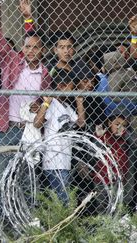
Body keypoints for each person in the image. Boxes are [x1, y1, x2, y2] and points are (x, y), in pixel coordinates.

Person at [0, 0, 50, 232]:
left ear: (42, 51)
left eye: (35, 48)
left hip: (29, 132)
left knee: (27, 182)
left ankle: (23, 229)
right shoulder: (11, 61)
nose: (30, 51)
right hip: (8, 129)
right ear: (23, 48)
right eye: (27, 47)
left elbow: (44, 101)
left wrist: (37, 106)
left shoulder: (45, 73)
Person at [33, 70, 85, 204]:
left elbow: (80, 122)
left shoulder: (67, 107)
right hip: (53, 161)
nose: (72, 90)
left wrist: (79, 102)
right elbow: (37, 123)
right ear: (61, 86)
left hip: (65, 160)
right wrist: (45, 104)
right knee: (64, 200)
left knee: (59, 200)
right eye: (71, 87)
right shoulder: (52, 104)